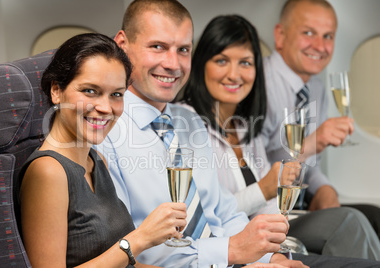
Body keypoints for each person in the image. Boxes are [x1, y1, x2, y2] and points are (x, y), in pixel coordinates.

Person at [96, 0, 380, 267]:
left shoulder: (187, 122)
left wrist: (268, 259)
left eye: (183, 50)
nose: (173, 64)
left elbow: (226, 213)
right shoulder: (105, 132)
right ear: (122, 44)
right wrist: (233, 251)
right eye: (158, 47)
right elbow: (133, 252)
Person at [179, 13, 380, 260]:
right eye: (222, 61)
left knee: (365, 218)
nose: (235, 74)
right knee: (349, 223)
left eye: (245, 63)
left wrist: (282, 223)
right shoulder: (187, 123)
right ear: (201, 65)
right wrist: (265, 188)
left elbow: (269, 205)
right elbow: (208, 213)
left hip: (269, 229)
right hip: (233, 241)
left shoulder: (244, 125)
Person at [18, 33, 188, 267]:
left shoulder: (96, 160)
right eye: (90, 91)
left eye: (116, 94)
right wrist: (139, 239)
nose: (106, 108)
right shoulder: (48, 172)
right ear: (56, 90)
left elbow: (128, 264)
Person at [261, 0, 380, 237]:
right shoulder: (257, 84)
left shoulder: (316, 88)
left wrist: (325, 189)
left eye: (328, 36)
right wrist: (315, 141)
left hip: (301, 205)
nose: (320, 46)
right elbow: (258, 171)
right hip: (268, 210)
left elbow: (310, 164)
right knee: (351, 224)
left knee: (375, 215)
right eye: (308, 33)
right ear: (280, 35)